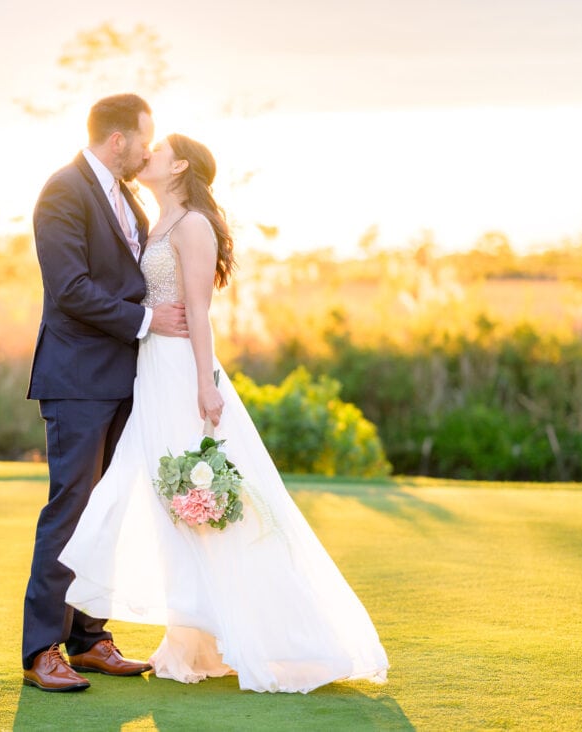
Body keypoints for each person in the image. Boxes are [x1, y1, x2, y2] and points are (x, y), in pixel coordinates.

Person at [59, 133, 390, 693]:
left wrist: (206, 384)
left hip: (182, 373)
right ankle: (191, 639)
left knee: (208, 500)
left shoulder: (192, 225)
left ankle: (276, 638)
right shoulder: (153, 221)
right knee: (169, 501)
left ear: (180, 164)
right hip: (149, 371)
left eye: (157, 150)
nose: (147, 156)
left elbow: (199, 310)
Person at [22, 94, 189, 692]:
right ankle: (42, 649)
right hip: (76, 381)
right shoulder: (63, 190)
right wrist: (148, 323)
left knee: (107, 512)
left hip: (126, 379)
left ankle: (90, 639)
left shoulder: (128, 198)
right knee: (70, 508)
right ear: (118, 140)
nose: (149, 151)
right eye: (145, 140)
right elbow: (70, 289)